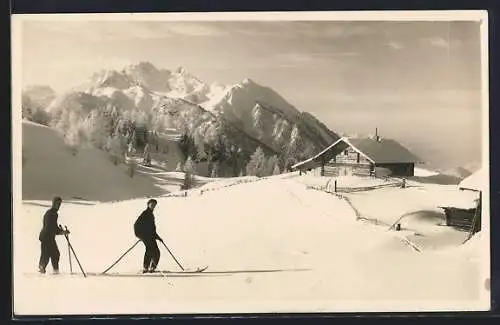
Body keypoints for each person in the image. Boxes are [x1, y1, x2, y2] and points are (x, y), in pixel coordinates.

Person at [38, 197, 69, 274]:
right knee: (51, 254)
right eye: (57, 204)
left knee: (50, 254)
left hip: (47, 237)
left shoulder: (52, 213)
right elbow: (51, 227)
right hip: (46, 237)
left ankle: (49, 269)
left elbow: (53, 227)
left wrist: (61, 231)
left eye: (59, 204)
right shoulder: (51, 213)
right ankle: (52, 271)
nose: (59, 206)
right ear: (54, 204)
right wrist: (62, 232)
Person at [134, 199, 163, 273]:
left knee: (154, 251)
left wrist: (158, 237)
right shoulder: (145, 213)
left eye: (154, 205)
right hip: (145, 236)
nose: (153, 206)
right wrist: (139, 235)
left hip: (150, 236)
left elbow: (152, 229)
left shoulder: (150, 214)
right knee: (151, 250)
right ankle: (147, 268)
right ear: (148, 204)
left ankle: (150, 268)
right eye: (152, 204)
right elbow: (136, 225)